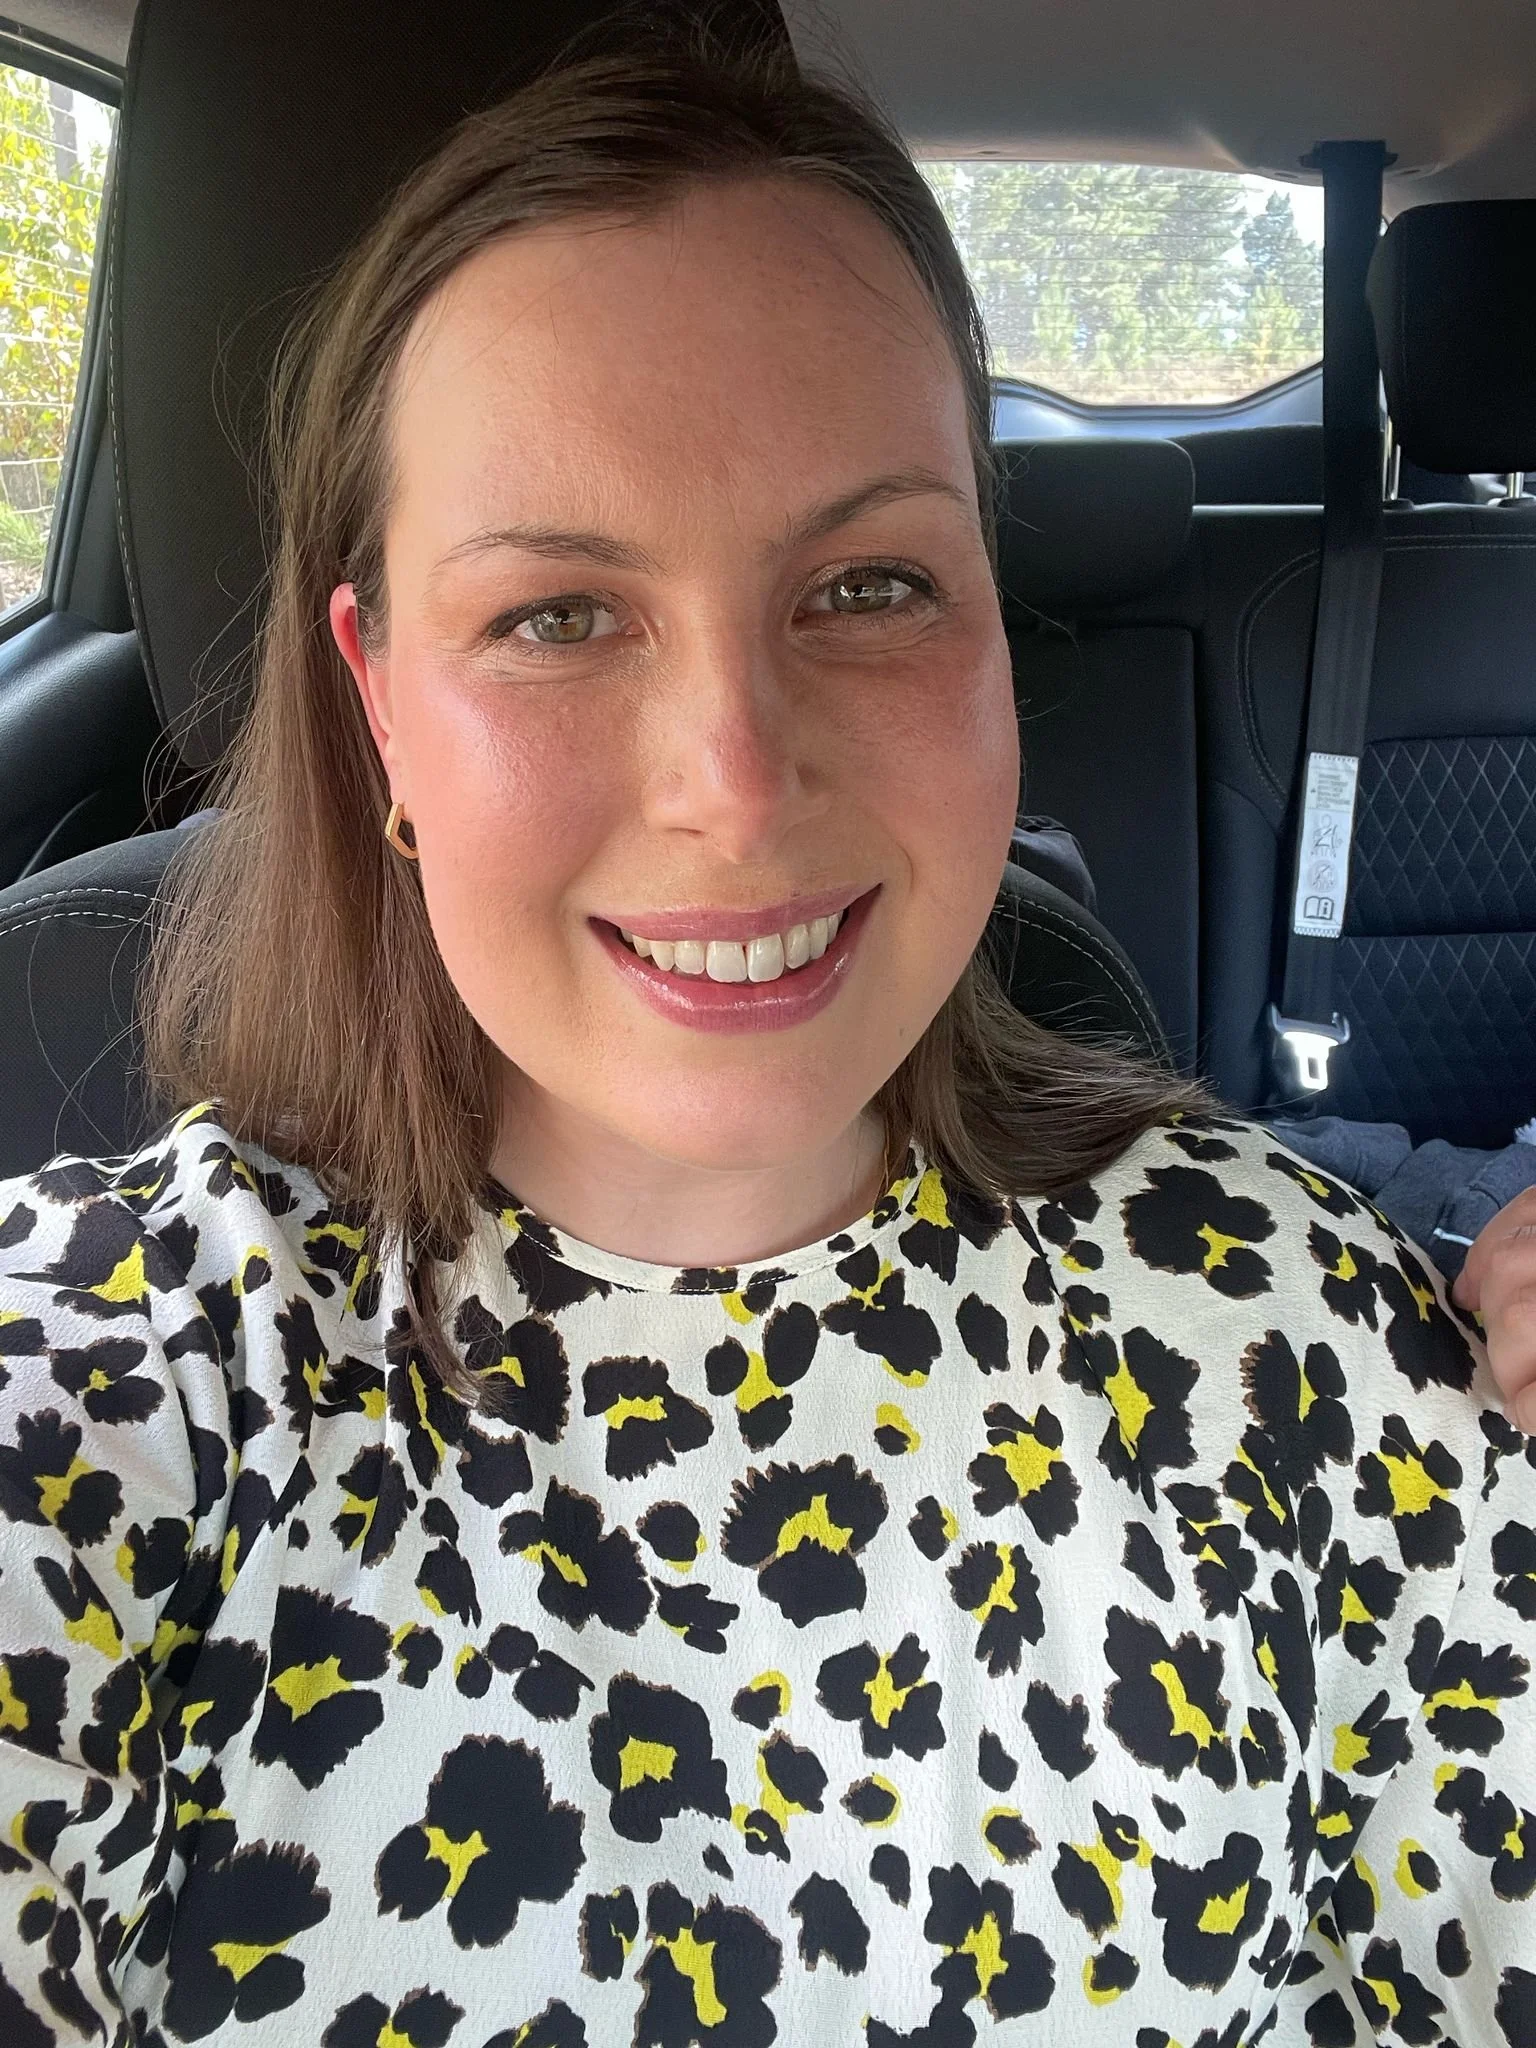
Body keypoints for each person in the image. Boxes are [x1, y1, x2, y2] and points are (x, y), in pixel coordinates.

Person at [1, 35, 1534, 2048]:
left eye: (871, 583)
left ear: (999, 632)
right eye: (559, 613)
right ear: (379, 706)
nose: (734, 779)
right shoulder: (104, 1388)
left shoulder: (1300, 1340)